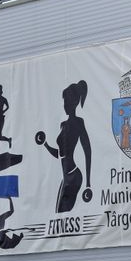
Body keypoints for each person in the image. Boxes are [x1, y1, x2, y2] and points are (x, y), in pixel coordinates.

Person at [36, 80, 92, 213]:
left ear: (75, 102)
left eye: (67, 101)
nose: (65, 105)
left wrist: (88, 184)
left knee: (62, 212)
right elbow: (60, 154)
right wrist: (45, 144)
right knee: (58, 213)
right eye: (64, 102)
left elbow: (87, 151)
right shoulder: (63, 125)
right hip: (66, 178)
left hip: (74, 176)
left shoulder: (79, 123)